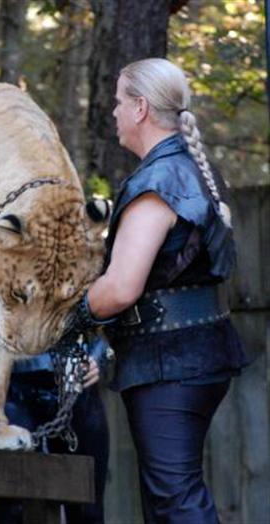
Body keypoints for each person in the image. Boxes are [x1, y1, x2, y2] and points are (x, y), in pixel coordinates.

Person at [60, 58, 249, 523]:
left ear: (141, 108)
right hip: (194, 356)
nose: (114, 112)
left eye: (120, 101)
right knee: (170, 496)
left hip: (171, 363)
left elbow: (122, 288)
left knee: (175, 499)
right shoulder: (193, 171)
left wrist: (71, 317)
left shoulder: (156, 183)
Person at [0, 339, 110, 524]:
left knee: (87, 509)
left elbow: (98, 321)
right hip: (5, 386)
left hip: (73, 383)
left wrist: (97, 355)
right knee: (11, 506)